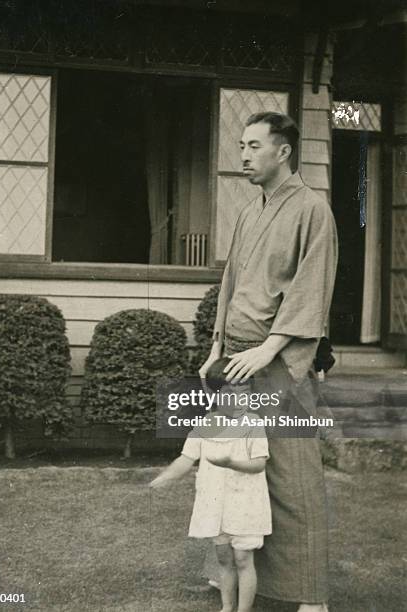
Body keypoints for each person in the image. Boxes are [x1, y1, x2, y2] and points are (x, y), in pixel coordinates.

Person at [199, 112, 338, 612]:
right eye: (241, 145)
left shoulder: (312, 210)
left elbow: (311, 289)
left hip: (281, 360)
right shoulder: (247, 212)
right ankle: (239, 576)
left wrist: (270, 347)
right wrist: (217, 345)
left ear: (283, 151)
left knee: (291, 473)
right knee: (237, 469)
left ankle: (310, 596)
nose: (243, 155)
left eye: (254, 145)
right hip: (238, 359)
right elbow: (230, 284)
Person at [150, 357, 271, 612]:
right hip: (215, 504)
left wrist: (231, 462)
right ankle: (227, 607)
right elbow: (186, 459)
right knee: (224, 558)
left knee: (243, 558)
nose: (239, 400)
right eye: (231, 393)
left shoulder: (253, 424)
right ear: (215, 395)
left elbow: (259, 464)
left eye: (245, 392)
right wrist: (166, 476)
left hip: (246, 503)